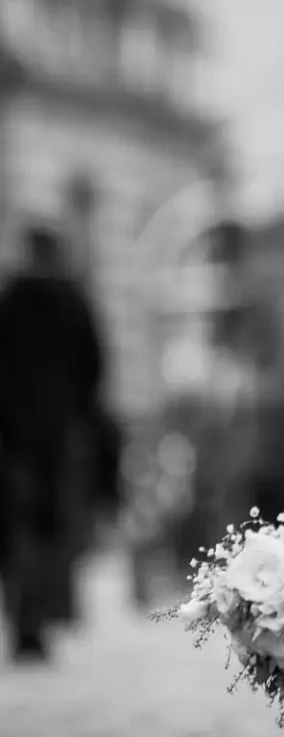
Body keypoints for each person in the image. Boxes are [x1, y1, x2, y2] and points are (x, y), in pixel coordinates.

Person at [0, 226, 109, 663]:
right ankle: (43, 616)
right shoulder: (72, 301)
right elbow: (95, 367)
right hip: (60, 432)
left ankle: (28, 620)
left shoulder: (9, 302)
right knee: (52, 528)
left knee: (23, 529)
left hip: (15, 436)